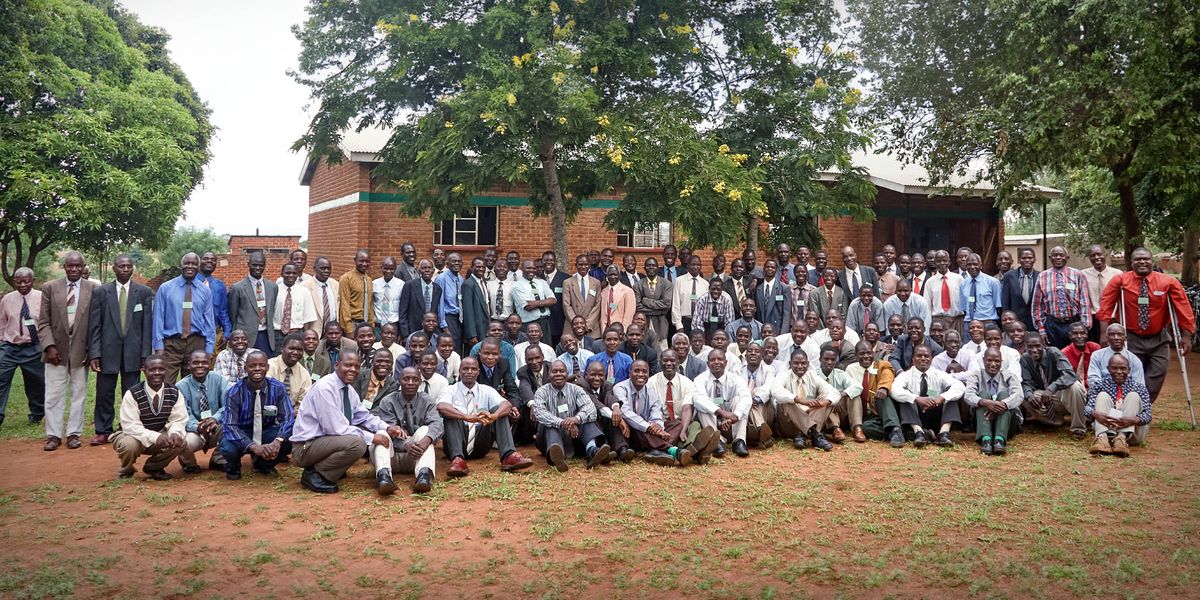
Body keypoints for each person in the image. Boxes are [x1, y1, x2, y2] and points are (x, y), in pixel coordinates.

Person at [289, 349, 401, 494]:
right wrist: (373, 438)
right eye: (348, 365)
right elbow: (336, 429)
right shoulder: (326, 387)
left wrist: (386, 428)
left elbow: (363, 416)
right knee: (357, 444)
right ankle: (316, 474)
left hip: (322, 442)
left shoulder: (348, 389)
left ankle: (330, 469)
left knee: (355, 440)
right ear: (337, 365)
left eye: (356, 366)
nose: (353, 370)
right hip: (305, 447)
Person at [1097, 247, 1194, 401]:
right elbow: (1106, 307)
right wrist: (1104, 334)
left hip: (1159, 338)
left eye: (1146, 259)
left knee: (1157, 374)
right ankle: (1133, 409)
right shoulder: (1121, 280)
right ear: (1131, 262)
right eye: (1137, 259)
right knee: (1133, 375)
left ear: (1152, 261)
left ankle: (1144, 407)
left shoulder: (1168, 282)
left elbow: (1183, 308)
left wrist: (1187, 335)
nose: (1142, 261)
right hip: (1131, 338)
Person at [85, 255, 153, 445]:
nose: (125, 269)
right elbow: (95, 326)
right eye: (121, 266)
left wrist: (145, 355)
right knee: (104, 392)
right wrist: (95, 353)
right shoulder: (101, 292)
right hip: (107, 352)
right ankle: (103, 431)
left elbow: (147, 326)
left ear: (132, 268)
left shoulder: (144, 292)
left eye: (128, 266)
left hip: (134, 352)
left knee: (131, 393)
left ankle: (127, 428)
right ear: (113, 269)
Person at [38, 251, 98, 451]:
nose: (74, 269)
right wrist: (49, 347)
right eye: (70, 266)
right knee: (53, 394)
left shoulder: (93, 289)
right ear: (64, 267)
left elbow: (96, 324)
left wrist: (92, 350)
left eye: (77, 266)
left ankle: (74, 434)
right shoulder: (50, 288)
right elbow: (44, 321)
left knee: (79, 394)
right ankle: (53, 435)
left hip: (82, 351)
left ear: (83, 267)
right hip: (56, 352)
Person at [436, 356, 534, 477]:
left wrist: (494, 415)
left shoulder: (487, 390)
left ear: (478, 372)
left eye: (473, 369)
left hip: (481, 442)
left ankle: (508, 456)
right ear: (460, 371)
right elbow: (441, 406)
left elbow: (507, 404)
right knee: (451, 413)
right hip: (456, 441)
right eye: (465, 369)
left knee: (499, 410)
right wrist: (466, 417)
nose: (469, 372)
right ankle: (458, 460)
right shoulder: (450, 390)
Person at [221, 350, 294, 480]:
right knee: (228, 446)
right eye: (252, 366)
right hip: (243, 432)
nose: (257, 369)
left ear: (267, 367)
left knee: (291, 438)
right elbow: (230, 425)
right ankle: (233, 468)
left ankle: (264, 465)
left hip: (266, 431)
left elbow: (288, 418)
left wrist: (278, 441)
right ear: (245, 368)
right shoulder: (234, 392)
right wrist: (254, 447)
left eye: (261, 365)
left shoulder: (278, 388)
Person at [111, 356, 185, 479]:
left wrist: (175, 433)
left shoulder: (174, 392)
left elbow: (178, 419)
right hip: (132, 435)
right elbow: (131, 426)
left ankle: (154, 467)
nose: (157, 373)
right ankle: (127, 470)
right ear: (143, 371)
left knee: (179, 441)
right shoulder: (133, 394)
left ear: (166, 371)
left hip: (160, 434)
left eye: (161, 369)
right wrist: (156, 437)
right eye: (152, 370)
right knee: (128, 445)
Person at [373, 367, 441, 493]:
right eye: (406, 379)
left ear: (420, 382)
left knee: (426, 431)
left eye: (414, 379)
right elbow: (390, 432)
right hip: (391, 457)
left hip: (415, 458)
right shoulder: (387, 402)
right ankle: (384, 477)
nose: (410, 382)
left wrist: (426, 441)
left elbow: (437, 424)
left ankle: (423, 476)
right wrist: (406, 445)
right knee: (382, 433)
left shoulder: (427, 401)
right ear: (399, 380)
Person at [531, 360, 610, 471]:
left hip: (575, 437)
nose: (558, 374)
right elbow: (540, 413)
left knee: (586, 419)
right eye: (555, 371)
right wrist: (562, 423)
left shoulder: (576, 389)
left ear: (567, 374)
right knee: (550, 426)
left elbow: (591, 409)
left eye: (562, 371)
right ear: (549, 375)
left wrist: (576, 419)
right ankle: (557, 456)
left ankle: (592, 451)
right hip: (548, 440)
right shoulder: (541, 392)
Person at [153, 252, 216, 381]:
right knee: (166, 384)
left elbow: (209, 322)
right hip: (171, 344)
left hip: (196, 343)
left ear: (199, 267)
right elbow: (158, 319)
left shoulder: (205, 291)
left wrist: (209, 349)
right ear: (181, 265)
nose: (190, 266)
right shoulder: (165, 288)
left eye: (194, 264)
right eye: (187, 263)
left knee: (193, 385)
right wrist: (159, 347)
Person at [890, 345, 964, 447]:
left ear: (931, 358)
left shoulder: (939, 374)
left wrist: (941, 397)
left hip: (936, 414)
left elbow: (959, 386)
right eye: (919, 356)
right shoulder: (905, 375)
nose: (923, 359)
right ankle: (919, 433)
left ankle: (944, 434)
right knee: (906, 397)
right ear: (913, 359)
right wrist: (916, 399)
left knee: (951, 396)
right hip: (915, 417)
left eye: (926, 356)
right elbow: (894, 390)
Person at [0, 267, 45, 429]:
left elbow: (47, 323)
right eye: (19, 282)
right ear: (14, 281)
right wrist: (2, 342)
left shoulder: (42, 297)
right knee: (1, 380)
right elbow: (2, 322)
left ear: (33, 281)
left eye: (26, 281)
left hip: (34, 348)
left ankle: (37, 414)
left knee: (37, 384)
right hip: (9, 348)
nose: (23, 284)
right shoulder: (7, 299)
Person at [1020, 332, 1088, 439]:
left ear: (1043, 344)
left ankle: (1078, 428)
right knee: (1024, 395)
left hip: (1061, 393)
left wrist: (1052, 388)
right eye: (1030, 347)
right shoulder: (1025, 359)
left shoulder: (1053, 352)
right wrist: (1029, 395)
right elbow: (1026, 382)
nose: (1034, 350)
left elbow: (1069, 374)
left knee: (1075, 387)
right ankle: (1055, 421)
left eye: (1037, 346)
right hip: (1045, 396)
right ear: (1025, 346)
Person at [768, 350, 839, 450]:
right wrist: (800, 400)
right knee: (786, 401)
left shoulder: (813, 377)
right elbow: (775, 391)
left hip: (810, 416)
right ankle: (814, 434)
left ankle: (803, 434)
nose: (800, 366)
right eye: (796, 363)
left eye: (803, 363)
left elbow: (835, 392)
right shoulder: (784, 375)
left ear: (808, 364)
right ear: (790, 364)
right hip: (789, 425)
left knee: (827, 400)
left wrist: (823, 402)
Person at [1085, 354, 1152, 456]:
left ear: (1129, 370)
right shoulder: (1099, 385)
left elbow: (1148, 415)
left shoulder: (1139, 388)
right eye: (1114, 368)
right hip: (1109, 431)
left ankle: (1121, 439)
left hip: (1132, 435)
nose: (1119, 372)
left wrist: (1134, 419)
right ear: (1108, 369)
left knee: (1133, 396)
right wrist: (1095, 414)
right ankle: (1102, 440)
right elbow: (1087, 409)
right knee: (1102, 395)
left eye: (1123, 368)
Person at [689, 349, 753, 457]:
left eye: (720, 359)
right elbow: (698, 399)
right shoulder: (699, 379)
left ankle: (739, 441)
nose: (716, 362)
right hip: (710, 421)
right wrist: (721, 412)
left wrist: (735, 416)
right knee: (704, 405)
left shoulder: (736, 379)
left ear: (726, 363)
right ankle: (716, 441)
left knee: (738, 400)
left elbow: (747, 397)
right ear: (708, 363)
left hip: (730, 423)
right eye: (712, 360)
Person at [175, 350, 228, 473]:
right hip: (194, 430)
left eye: (204, 362)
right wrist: (198, 427)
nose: (200, 366)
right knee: (185, 441)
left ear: (209, 364)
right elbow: (182, 415)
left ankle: (217, 460)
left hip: (216, 425)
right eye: (196, 363)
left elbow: (230, 404)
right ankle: (189, 464)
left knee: (234, 427)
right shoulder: (180, 387)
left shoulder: (218, 379)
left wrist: (215, 418)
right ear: (189, 365)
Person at [964, 348, 1024, 455]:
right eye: (989, 360)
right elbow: (968, 395)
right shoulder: (975, 376)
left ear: (1002, 362)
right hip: (981, 422)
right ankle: (986, 440)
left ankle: (999, 440)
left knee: (1004, 395)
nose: (993, 364)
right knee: (983, 395)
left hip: (1008, 423)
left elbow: (1019, 395)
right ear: (983, 360)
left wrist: (1002, 404)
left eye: (997, 361)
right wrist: (986, 402)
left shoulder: (1009, 376)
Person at [1032, 246, 1093, 348]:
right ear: (1050, 258)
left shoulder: (1078, 275)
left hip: (1074, 323)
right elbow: (1037, 306)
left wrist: (1085, 327)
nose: (1058, 258)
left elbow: (1084, 303)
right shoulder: (1042, 276)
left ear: (1067, 257)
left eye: (1061, 255)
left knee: (1075, 354)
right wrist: (1041, 330)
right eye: (1055, 255)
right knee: (1055, 355)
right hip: (1052, 325)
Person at [228, 252, 278, 357]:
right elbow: (233, 315)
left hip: (267, 336)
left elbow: (271, 310)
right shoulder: (238, 288)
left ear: (265, 266)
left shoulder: (272, 287)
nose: (258, 268)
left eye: (261, 265)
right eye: (254, 265)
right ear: (248, 264)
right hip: (247, 337)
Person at [844, 341, 895, 443]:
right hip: (858, 412)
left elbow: (887, 375)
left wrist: (883, 388)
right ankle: (857, 428)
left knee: (869, 427)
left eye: (869, 353)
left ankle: (898, 433)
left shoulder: (880, 366)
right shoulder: (850, 369)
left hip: (876, 412)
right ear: (856, 355)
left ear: (873, 353)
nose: (866, 356)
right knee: (854, 394)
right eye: (862, 354)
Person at [817, 346, 860, 444]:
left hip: (841, 412)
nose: (829, 362)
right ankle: (835, 429)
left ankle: (857, 427)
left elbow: (858, 386)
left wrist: (840, 395)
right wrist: (832, 400)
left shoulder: (840, 374)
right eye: (826, 359)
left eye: (833, 359)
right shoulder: (813, 375)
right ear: (820, 359)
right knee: (826, 400)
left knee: (854, 395)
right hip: (824, 416)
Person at [1081, 244, 1122, 341]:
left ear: (1105, 255)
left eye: (1099, 254)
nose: (1096, 257)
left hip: (1112, 318)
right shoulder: (1083, 275)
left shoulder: (1117, 274)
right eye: (1093, 255)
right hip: (1092, 319)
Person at [1086, 323, 1145, 390]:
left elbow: (1139, 385)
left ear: (1125, 338)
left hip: (1128, 395)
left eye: (1119, 334)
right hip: (1102, 394)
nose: (1116, 338)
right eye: (1112, 335)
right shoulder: (1097, 356)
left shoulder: (1134, 360)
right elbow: (1093, 380)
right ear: (1107, 337)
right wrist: (1110, 392)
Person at [273, 263, 317, 347]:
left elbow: (307, 318)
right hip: (277, 334)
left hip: (297, 334)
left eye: (294, 273)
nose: (291, 275)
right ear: (282, 274)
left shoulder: (304, 292)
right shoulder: (274, 290)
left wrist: (305, 337)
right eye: (288, 273)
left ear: (297, 275)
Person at [923, 250, 964, 336]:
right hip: (938, 320)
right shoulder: (930, 282)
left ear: (949, 262)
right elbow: (927, 306)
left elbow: (964, 301)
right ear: (935, 263)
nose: (942, 263)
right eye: (939, 261)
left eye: (945, 260)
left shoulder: (959, 279)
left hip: (956, 319)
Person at [512, 259, 555, 340]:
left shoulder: (542, 282)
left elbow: (553, 300)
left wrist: (537, 303)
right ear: (522, 269)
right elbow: (528, 306)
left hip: (544, 323)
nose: (531, 270)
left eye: (533, 268)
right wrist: (545, 302)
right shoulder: (517, 286)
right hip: (528, 324)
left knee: (546, 348)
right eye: (528, 268)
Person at [266, 332, 313, 407]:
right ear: (282, 349)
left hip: (293, 416)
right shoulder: (269, 366)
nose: (295, 352)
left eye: (299, 350)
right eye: (292, 348)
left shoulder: (304, 374)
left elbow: (303, 403)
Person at [632, 257, 672, 346]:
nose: (651, 267)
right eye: (648, 265)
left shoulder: (666, 284)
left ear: (658, 268)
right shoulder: (638, 285)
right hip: (644, 326)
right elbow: (638, 306)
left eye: (653, 265)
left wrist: (646, 301)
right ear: (644, 268)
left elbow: (666, 304)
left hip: (661, 326)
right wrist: (660, 311)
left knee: (662, 354)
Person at [197, 251, 233, 345]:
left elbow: (223, 311)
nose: (210, 261)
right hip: (194, 334)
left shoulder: (220, 286)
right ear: (199, 261)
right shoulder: (190, 283)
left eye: (213, 260)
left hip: (214, 334)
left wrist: (227, 332)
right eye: (206, 259)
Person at [959, 253, 1003, 333]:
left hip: (987, 323)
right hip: (969, 324)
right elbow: (963, 308)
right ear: (966, 266)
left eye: (975, 264)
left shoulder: (992, 282)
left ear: (981, 266)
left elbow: (998, 307)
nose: (972, 267)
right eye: (969, 264)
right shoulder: (963, 284)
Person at [564, 254, 602, 340]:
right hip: (572, 326)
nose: (583, 267)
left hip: (591, 327)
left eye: (586, 264)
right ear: (576, 265)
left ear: (589, 265)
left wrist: (587, 325)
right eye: (580, 264)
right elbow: (566, 305)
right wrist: (577, 324)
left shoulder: (596, 283)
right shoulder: (568, 282)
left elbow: (597, 305)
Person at [1000, 247, 1039, 331]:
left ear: (1034, 260)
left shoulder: (1040, 276)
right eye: (1024, 258)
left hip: (1034, 323)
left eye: (1030, 258)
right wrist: (1007, 322)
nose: (1027, 260)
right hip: (1015, 323)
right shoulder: (1009, 276)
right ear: (1019, 260)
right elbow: (1005, 302)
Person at [338, 250, 375, 336]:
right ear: (355, 260)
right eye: (361, 261)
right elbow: (344, 304)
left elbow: (370, 304)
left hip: (366, 324)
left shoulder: (369, 280)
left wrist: (371, 324)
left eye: (367, 261)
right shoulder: (346, 278)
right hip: (353, 323)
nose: (364, 264)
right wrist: (348, 328)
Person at [434, 252, 465, 350]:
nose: (457, 263)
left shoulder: (460, 279)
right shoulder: (441, 279)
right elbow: (439, 303)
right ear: (447, 264)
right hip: (448, 318)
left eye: (459, 261)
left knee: (459, 348)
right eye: (454, 261)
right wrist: (444, 325)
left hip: (459, 319)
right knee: (450, 348)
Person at [302, 256, 340, 334]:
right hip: (314, 332)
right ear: (314, 268)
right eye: (323, 268)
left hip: (332, 333)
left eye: (328, 268)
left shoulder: (336, 284)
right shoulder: (305, 286)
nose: (326, 271)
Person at [672, 255, 707, 336]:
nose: (695, 267)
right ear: (687, 265)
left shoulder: (705, 284)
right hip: (684, 321)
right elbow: (675, 305)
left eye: (698, 265)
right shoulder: (679, 281)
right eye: (693, 264)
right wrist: (678, 325)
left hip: (700, 322)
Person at [695, 276, 738, 341]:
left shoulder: (727, 299)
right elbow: (697, 323)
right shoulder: (702, 300)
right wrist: (701, 338)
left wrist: (723, 338)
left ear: (722, 289)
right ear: (709, 288)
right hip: (706, 329)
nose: (715, 291)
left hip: (721, 329)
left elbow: (729, 323)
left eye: (718, 289)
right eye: (713, 289)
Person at [541, 251, 570, 346]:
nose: (548, 262)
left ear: (555, 261)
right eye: (545, 260)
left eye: (551, 260)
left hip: (559, 323)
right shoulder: (537, 278)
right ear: (542, 262)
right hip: (542, 324)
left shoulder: (565, 279)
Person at [372, 256, 403, 335]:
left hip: (394, 325)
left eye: (391, 269)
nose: (388, 271)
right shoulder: (374, 284)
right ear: (381, 268)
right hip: (378, 326)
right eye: (385, 268)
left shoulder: (401, 285)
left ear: (395, 268)